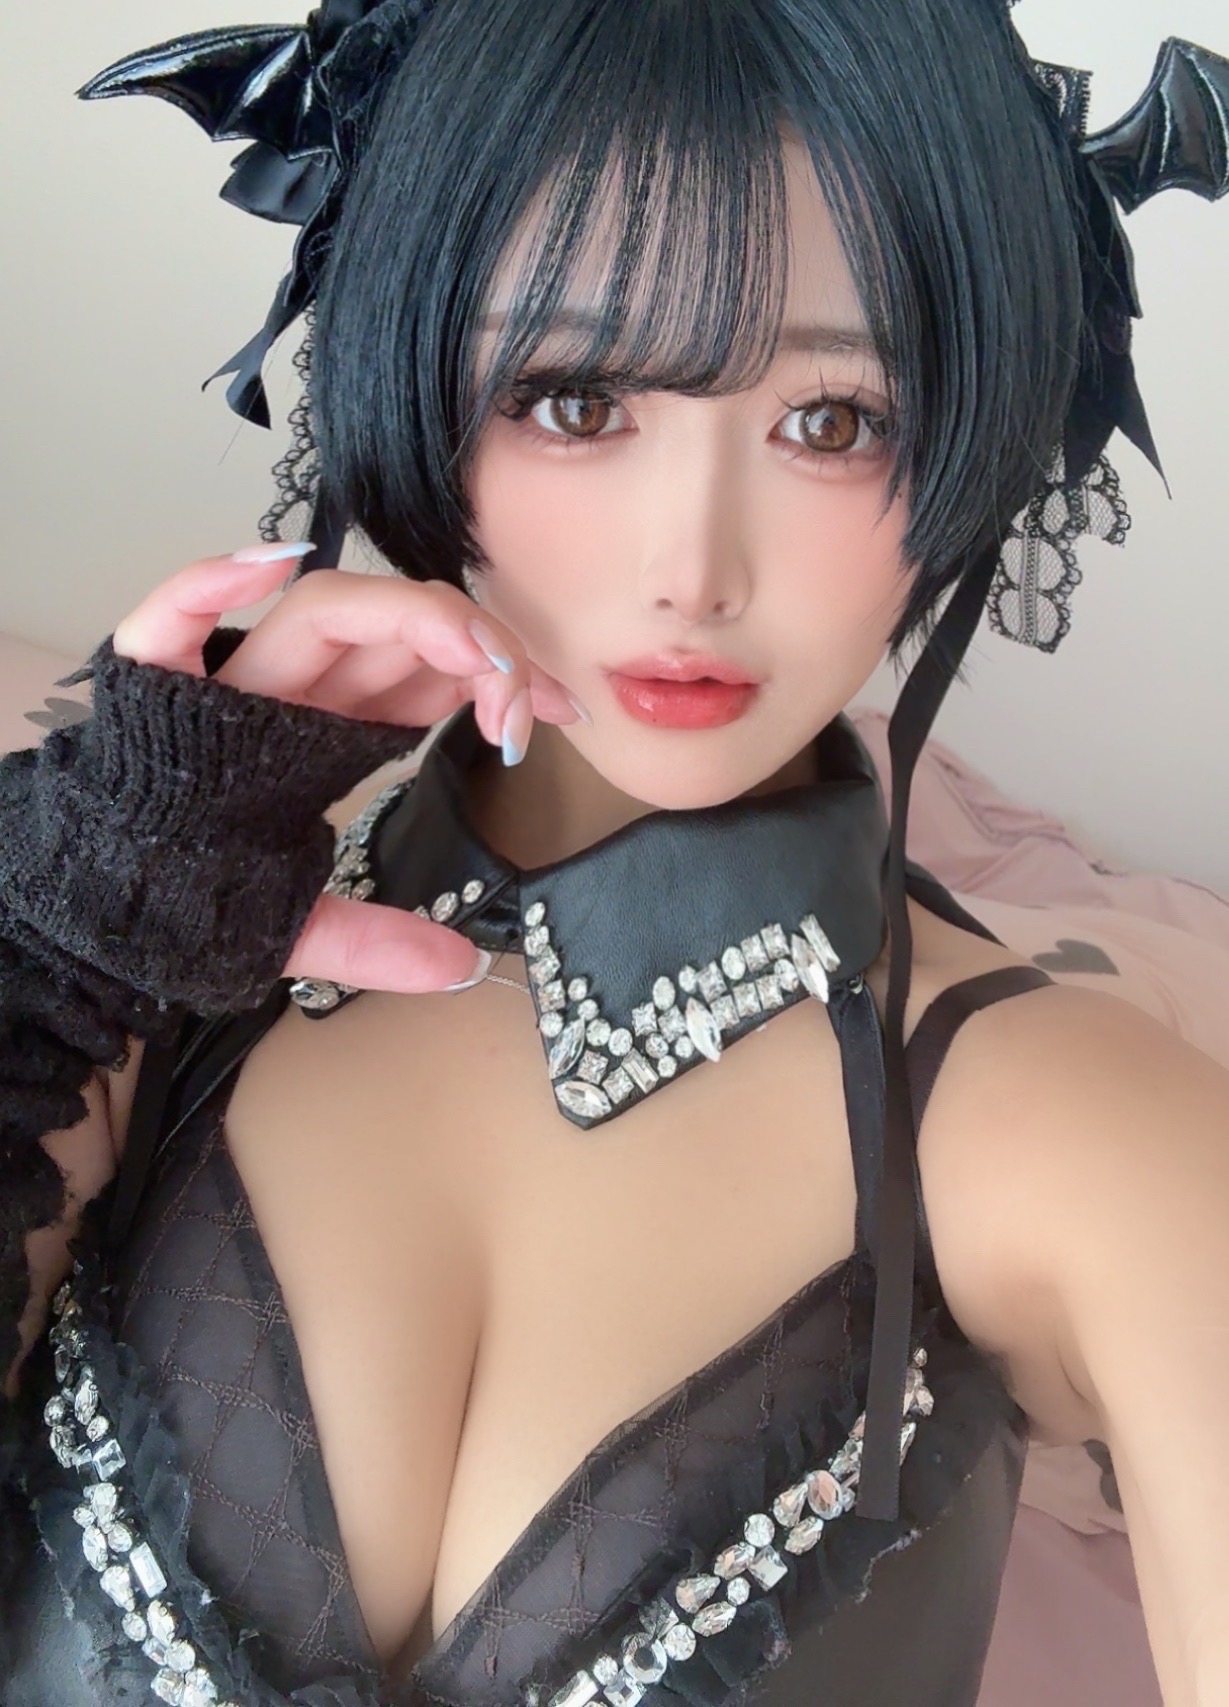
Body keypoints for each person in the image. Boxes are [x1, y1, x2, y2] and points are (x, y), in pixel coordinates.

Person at [1, 1, 1227, 1703]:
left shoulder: (1095, 1139)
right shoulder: (132, 962)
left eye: (834, 419)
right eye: (575, 400)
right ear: (413, 381)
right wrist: (74, 922)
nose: (691, 568)